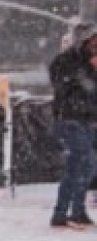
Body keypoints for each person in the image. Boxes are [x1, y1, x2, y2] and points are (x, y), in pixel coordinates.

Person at [47, 21, 97, 229]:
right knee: (84, 160)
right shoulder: (67, 61)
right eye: (93, 41)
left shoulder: (88, 63)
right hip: (69, 119)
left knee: (82, 165)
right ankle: (67, 212)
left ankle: (72, 211)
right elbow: (65, 85)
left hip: (86, 120)